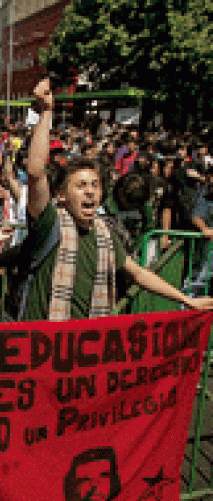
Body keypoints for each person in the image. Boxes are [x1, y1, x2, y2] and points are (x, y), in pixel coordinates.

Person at [20, 78, 213, 321]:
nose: (90, 191)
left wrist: (187, 300)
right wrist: (47, 112)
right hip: (44, 345)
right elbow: (36, 172)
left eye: (95, 185)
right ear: (60, 195)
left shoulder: (106, 234)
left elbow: (140, 275)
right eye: (80, 186)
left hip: (84, 346)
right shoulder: (50, 225)